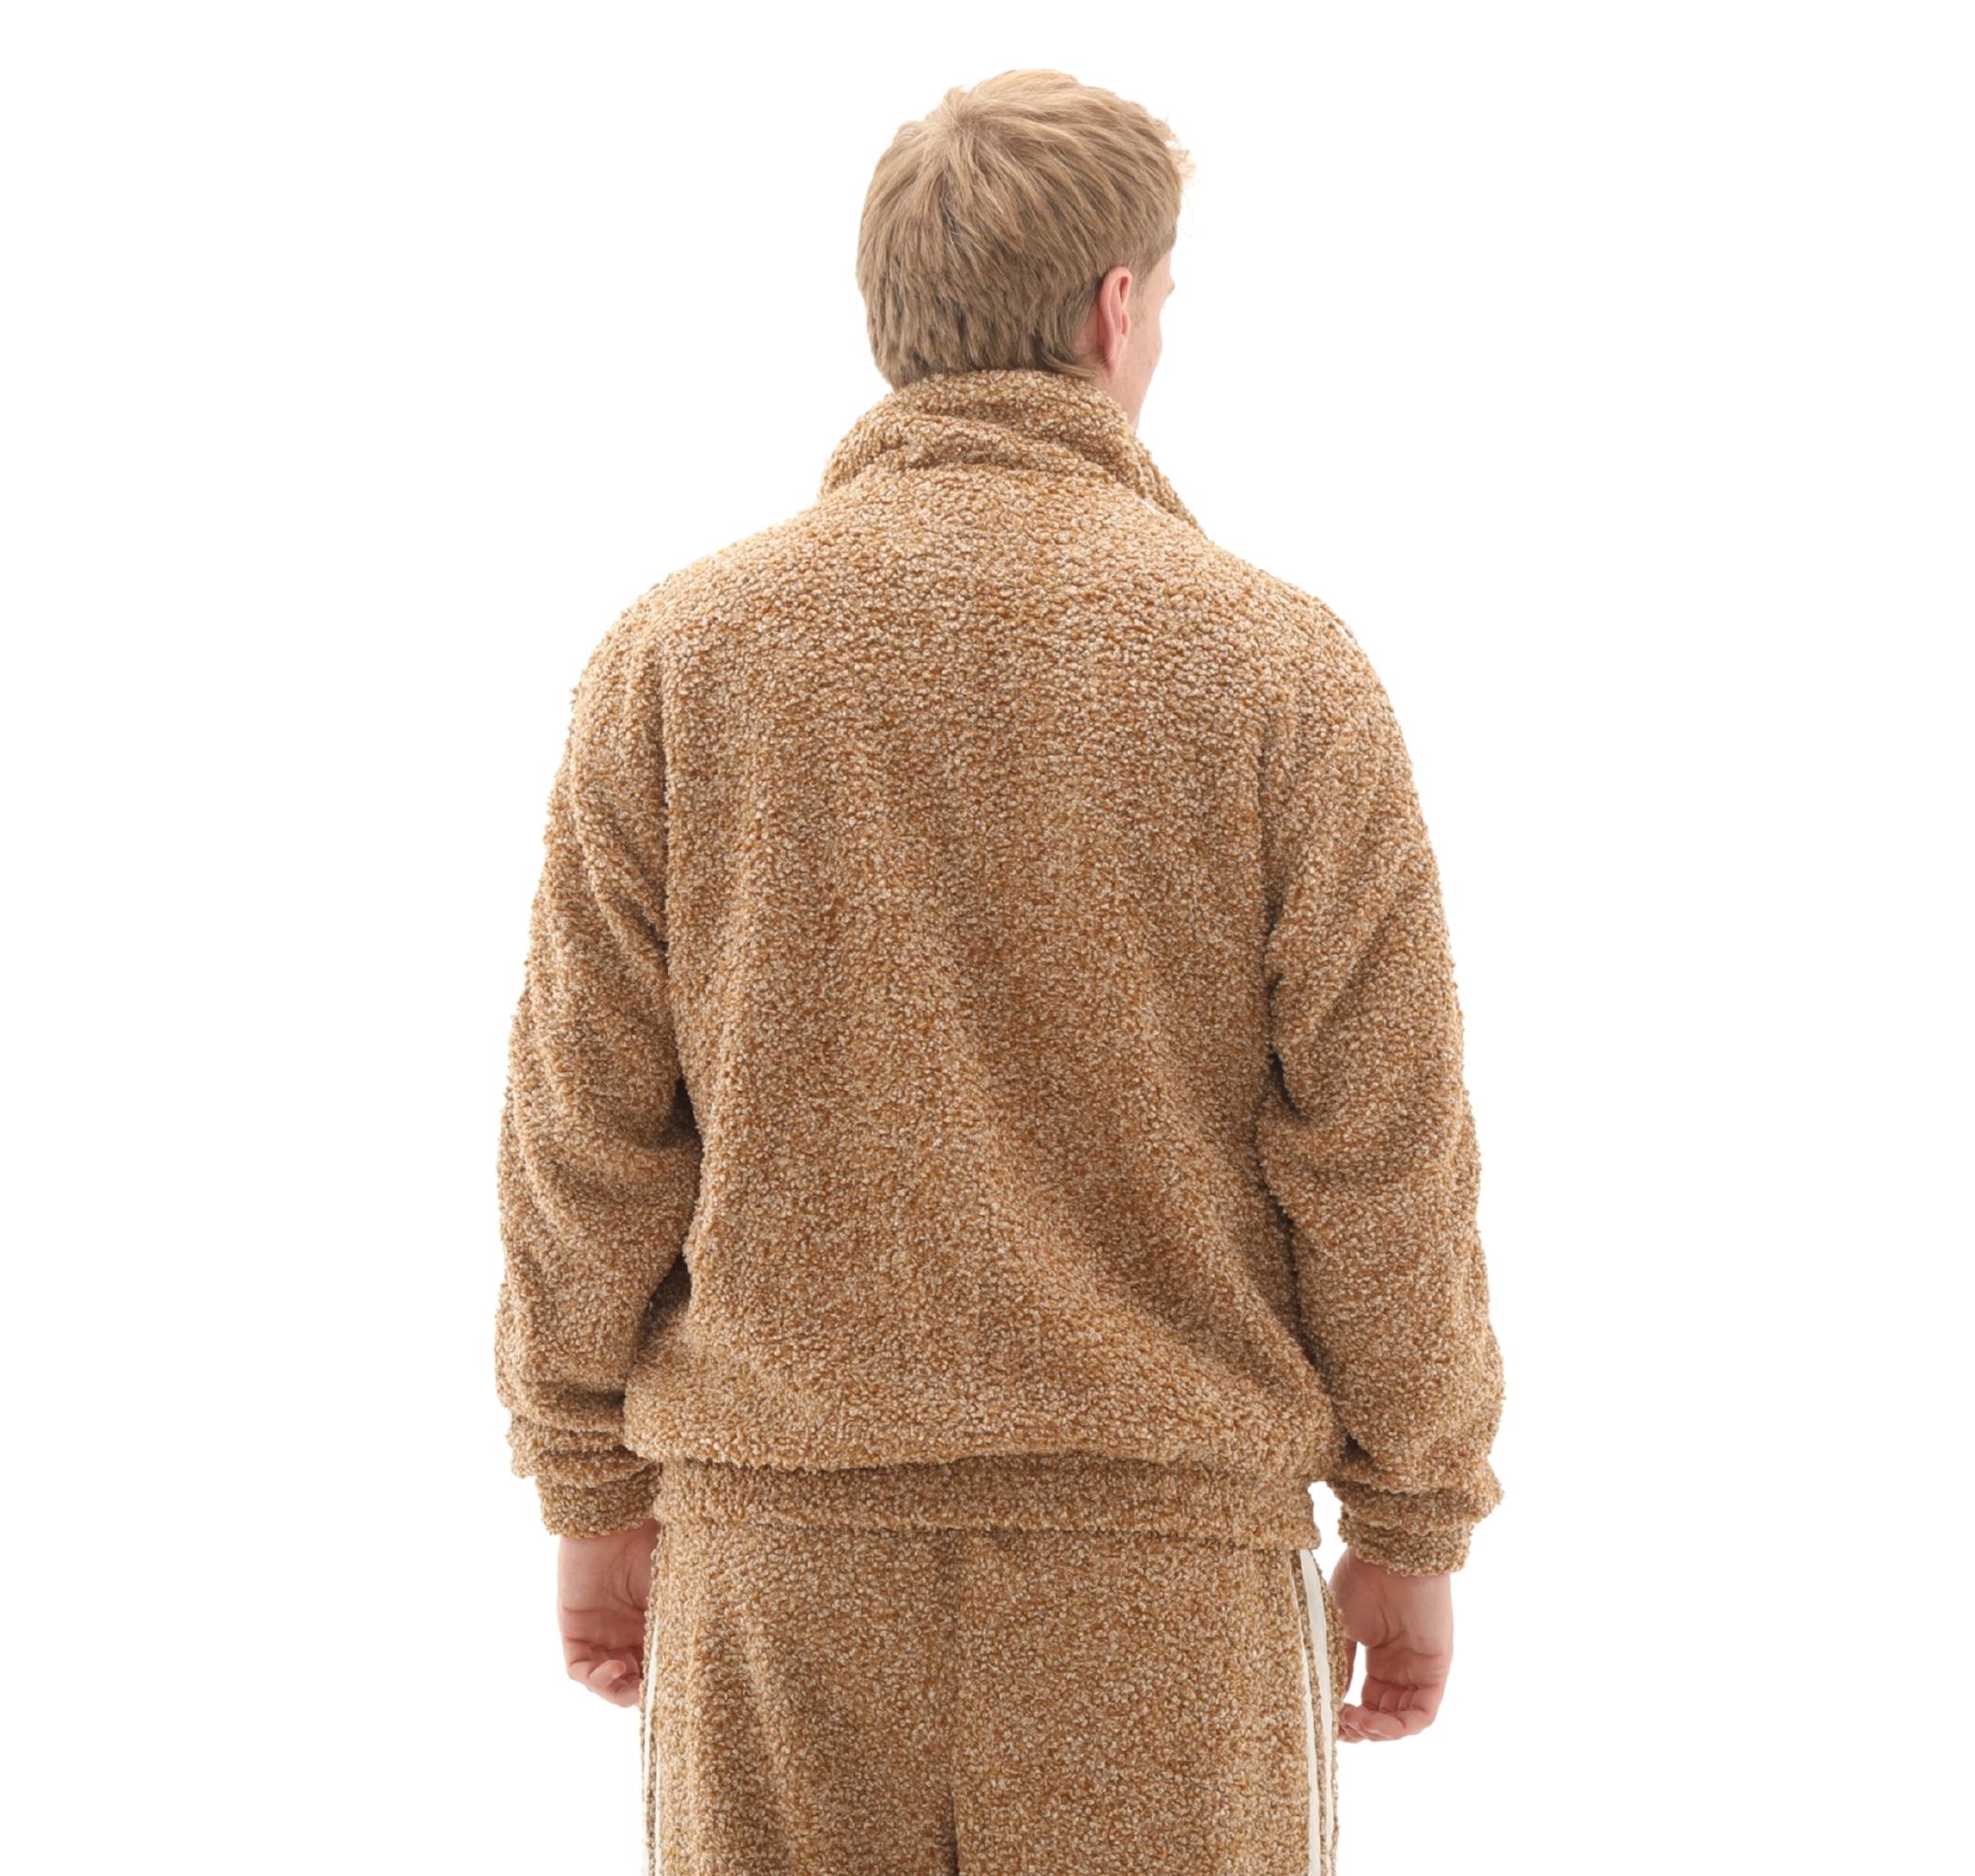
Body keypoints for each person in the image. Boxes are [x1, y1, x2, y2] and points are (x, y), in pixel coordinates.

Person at [493, 67, 1505, 1876]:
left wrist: (585, 1483)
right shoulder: (1275, 670)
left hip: (782, 1564)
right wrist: (1411, 1521)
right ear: (1115, 306)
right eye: (1166, 298)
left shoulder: (680, 660)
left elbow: (587, 1126)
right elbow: (1380, 1153)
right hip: (1165, 1580)